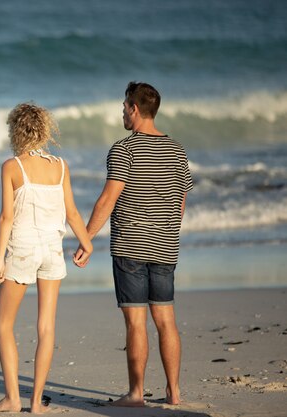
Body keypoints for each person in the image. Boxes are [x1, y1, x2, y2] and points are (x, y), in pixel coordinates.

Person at [74, 82, 193, 407]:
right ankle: (174, 392)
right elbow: (180, 202)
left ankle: (137, 393)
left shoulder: (124, 149)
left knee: (136, 321)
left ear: (135, 109)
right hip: (166, 246)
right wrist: (166, 234)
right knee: (166, 319)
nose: (122, 112)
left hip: (130, 246)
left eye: (125, 107)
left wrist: (86, 238)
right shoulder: (177, 149)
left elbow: (107, 200)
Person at [0, 103, 93, 414]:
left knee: (4, 323)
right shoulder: (60, 166)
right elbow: (72, 213)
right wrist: (86, 243)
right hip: (52, 251)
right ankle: (36, 403)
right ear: (44, 130)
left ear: (15, 131)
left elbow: (6, 217)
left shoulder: (12, 166)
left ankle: (12, 398)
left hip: (22, 250)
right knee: (46, 327)